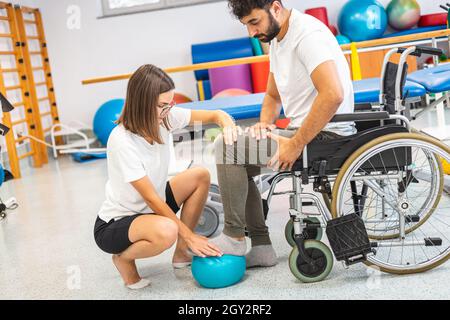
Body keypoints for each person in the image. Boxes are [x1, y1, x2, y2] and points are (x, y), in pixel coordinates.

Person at [210, 0, 355, 268]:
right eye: (246, 26)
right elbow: (272, 95)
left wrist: (296, 143)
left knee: (226, 147)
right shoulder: (278, 39)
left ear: (275, 7)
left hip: (325, 136)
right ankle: (261, 246)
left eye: (254, 22)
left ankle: (233, 236)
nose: (251, 33)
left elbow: (333, 94)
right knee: (235, 151)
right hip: (299, 132)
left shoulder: (307, 35)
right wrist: (265, 123)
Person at [93, 64, 241, 290]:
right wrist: (191, 235)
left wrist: (228, 125)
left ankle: (181, 254)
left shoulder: (165, 117)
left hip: (153, 206)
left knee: (200, 175)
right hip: (118, 222)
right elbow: (151, 199)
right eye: (162, 106)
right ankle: (123, 259)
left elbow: (215, 114)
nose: (168, 110)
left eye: (170, 104)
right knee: (168, 230)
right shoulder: (121, 140)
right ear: (142, 104)